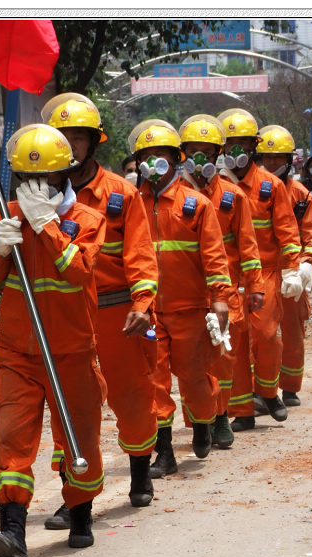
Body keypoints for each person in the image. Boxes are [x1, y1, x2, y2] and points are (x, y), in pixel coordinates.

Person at [0, 124, 107, 557]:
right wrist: (0, 251)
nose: (35, 189)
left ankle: (80, 511)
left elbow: (79, 272)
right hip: (16, 352)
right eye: (26, 180)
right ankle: (13, 531)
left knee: (80, 438)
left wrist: (48, 226)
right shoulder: (1, 217)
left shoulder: (88, 221)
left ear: (65, 177)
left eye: (46, 180)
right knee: (11, 440)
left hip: (71, 351)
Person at [40, 93, 158, 525]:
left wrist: (144, 304)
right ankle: (76, 497)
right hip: (68, 317)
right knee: (70, 407)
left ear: (93, 142)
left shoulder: (122, 194)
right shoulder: (40, 196)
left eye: (79, 138)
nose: (71, 147)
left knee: (131, 397)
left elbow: (142, 256)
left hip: (117, 314)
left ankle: (141, 473)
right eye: (63, 138)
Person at [127, 119, 231, 477]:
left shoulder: (197, 204)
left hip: (189, 308)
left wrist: (220, 299)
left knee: (194, 379)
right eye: (147, 156)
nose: (154, 164)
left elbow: (216, 257)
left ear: (176, 160)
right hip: (150, 311)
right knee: (154, 381)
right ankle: (165, 451)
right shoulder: (132, 204)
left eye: (162, 156)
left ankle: (203, 423)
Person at [178, 114, 263, 450]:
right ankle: (201, 420)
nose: (200, 158)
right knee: (189, 360)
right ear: (182, 153)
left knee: (223, 357)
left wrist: (255, 286)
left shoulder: (232, 196)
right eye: (194, 150)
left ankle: (221, 414)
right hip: (184, 291)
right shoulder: (172, 196)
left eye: (207, 151)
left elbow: (248, 246)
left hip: (224, 290)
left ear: (218, 155)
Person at [216, 109, 303, 431]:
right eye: (230, 143)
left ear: (254, 146)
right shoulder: (216, 187)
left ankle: (268, 391)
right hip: (226, 277)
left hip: (264, 271)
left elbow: (287, 230)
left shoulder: (270, 186)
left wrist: (292, 270)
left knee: (267, 335)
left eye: (242, 143)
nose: (236, 150)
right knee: (234, 344)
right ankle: (243, 411)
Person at [255, 125, 312, 407]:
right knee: (261, 333)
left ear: (288, 160)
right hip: (261, 272)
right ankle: (260, 390)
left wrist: (307, 264)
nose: (272, 164)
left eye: (278, 158)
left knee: (293, 331)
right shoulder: (251, 190)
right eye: (267, 158)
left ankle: (291, 387)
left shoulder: (299, 193)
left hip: (292, 273)